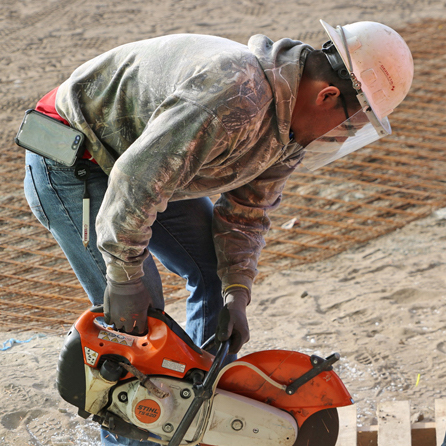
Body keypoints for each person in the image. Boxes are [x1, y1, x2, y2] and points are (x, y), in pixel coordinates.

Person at [22, 19, 413, 446]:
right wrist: (125, 277)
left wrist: (236, 292)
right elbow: (134, 184)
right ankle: (141, 430)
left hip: (152, 165)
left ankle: (199, 412)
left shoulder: (289, 130)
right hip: (75, 159)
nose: (343, 136)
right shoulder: (235, 95)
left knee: (214, 274)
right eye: (352, 123)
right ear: (328, 95)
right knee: (134, 334)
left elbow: (246, 213)